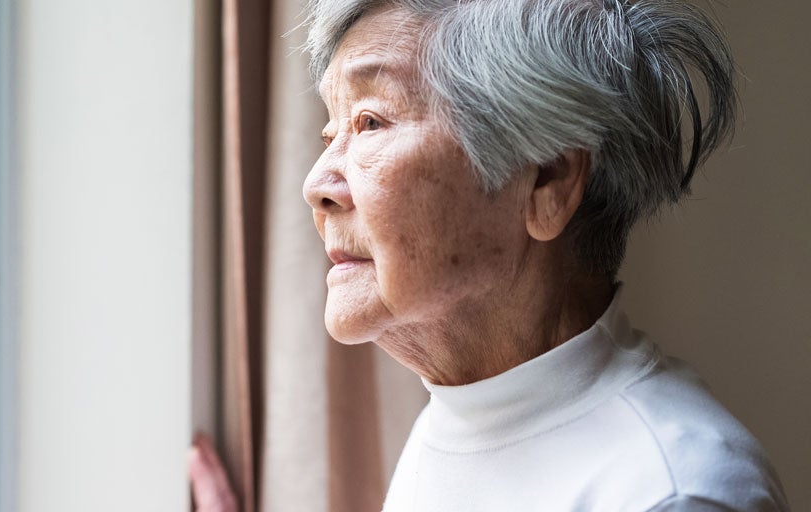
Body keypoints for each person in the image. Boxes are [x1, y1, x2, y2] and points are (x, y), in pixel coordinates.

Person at [190, 0, 791, 510]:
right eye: (331, 133)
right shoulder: (456, 419)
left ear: (548, 180)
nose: (317, 183)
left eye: (371, 122)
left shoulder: (671, 489)